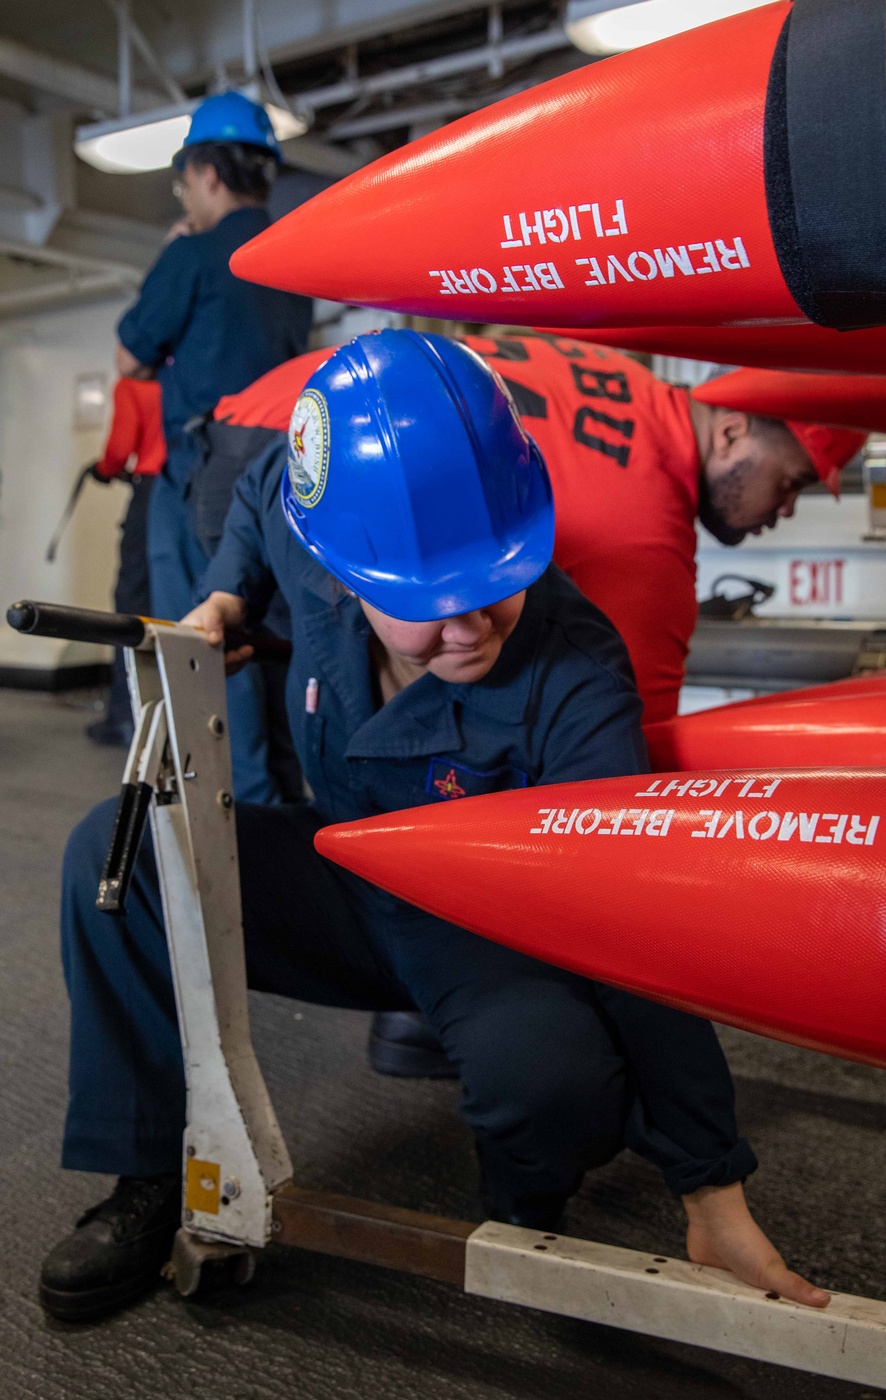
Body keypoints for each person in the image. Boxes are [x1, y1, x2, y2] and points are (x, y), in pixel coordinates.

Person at [42, 330, 829, 1323]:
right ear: (346, 563)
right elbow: (262, 493)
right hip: (343, 873)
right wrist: (231, 592)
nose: (466, 627)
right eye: (423, 604)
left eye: (489, 587)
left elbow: (634, 926)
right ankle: (147, 1173)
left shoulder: (576, 674)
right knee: (114, 856)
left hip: (482, 929)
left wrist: (711, 1183)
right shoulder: (326, 529)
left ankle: (527, 1213)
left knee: (549, 1084)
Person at [463, 333, 867, 727]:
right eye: (790, 482)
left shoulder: (610, 367)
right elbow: (630, 756)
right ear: (731, 432)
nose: (788, 509)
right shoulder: (649, 546)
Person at [114, 90, 312, 800]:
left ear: (208, 174)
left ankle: (232, 808)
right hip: (286, 468)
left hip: (203, 471)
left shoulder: (192, 253)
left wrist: (170, 256)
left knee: (200, 637)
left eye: (184, 182)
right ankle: (280, 799)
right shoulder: (290, 261)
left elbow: (129, 358)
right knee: (271, 632)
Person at [85, 378, 166, 747]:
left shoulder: (134, 384)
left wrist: (104, 469)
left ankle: (125, 717)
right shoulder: (183, 377)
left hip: (150, 491)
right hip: (188, 491)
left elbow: (120, 448)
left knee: (132, 602)